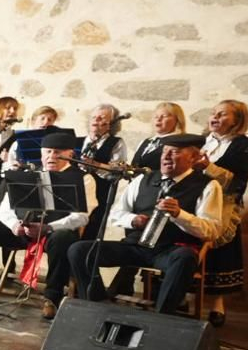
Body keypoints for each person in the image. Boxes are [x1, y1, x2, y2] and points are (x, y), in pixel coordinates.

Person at [67, 134, 222, 315]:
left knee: (186, 257)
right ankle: (97, 305)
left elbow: (212, 231)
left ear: (194, 157)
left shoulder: (208, 186)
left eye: (175, 152)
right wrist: (133, 220)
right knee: (79, 250)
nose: (166, 156)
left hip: (170, 250)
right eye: (164, 151)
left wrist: (180, 215)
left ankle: (161, 317)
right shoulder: (143, 179)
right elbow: (116, 214)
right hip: (135, 246)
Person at [0, 131, 89, 315]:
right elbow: (5, 209)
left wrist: (49, 227)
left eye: (57, 152)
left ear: (70, 154)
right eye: (47, 152)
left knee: (62, 239)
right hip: (23, 231)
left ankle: (52, 299)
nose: (51, 156)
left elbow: (82, 216)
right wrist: (15, 225)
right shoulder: (26, 174)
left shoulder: (83, 179)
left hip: (54, 233)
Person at [200, 100, 248, 327]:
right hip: (196, 201)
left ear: (237, 120)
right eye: (213, 113)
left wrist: (206, 167)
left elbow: (237, 179)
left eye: (222, 115)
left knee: (219, 253)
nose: (215, 118)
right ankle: (183, 296)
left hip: (223, 205)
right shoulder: (202, 141)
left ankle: (217, 304)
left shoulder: (243, 145)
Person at [77, 104, 126, 239]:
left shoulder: (116, 142)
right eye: (94, 116)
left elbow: (118, 170)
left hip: (100, 193)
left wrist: (96, 165)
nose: (96, 119)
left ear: (112, 124)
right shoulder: (77, 141)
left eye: (102, 117)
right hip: (76, 192)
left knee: (91, 231)